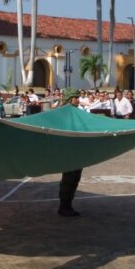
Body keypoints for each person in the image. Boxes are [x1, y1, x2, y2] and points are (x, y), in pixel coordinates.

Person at [57, 87, 85, 217]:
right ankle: (64, 206)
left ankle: (68, 205)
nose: (78, 100)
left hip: (77, 151)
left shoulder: (77, 112)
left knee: (75, 178)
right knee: (69, 178)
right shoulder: (61, 113)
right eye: (76, 98)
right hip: (68, 152)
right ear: (69, 99)